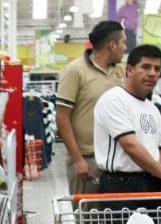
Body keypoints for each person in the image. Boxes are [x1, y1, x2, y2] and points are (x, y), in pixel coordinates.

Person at [93, 44, 161, 224]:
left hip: (152, 185)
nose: (152, 73)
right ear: (130, 70)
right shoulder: (113, 100)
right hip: (120, 187)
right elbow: (130, 145)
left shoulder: (153, 109)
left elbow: (159, 149)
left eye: (157, 69)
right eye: (146, 67)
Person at [56, 20, 126, 196]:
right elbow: (62, 118)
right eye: (123, 42)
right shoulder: (74, 71)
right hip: (88, 160)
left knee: (115, 212)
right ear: (112, 45)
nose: (125, 48)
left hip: (117, 158)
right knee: (88, 212)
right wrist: (78, 159)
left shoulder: (121, 71)